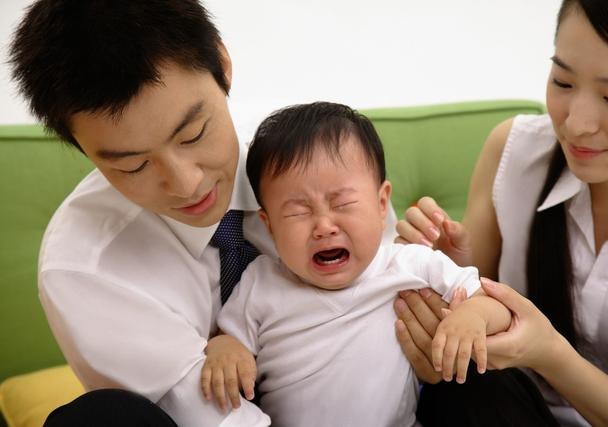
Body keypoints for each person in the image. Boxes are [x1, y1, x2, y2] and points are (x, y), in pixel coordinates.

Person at [8, 1, 398, 426]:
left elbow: (397, 304)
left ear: (223, 66)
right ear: (82, 149)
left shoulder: (313, 159)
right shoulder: (85, 266)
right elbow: (211, 418)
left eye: (193, 134)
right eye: (133, 166)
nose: (185, 184)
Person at [395, 0, 608, 426]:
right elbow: (470, 316)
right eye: (562, 81)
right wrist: (440, 270)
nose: (576, 124)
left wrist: (550, 355)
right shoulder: (517, 153)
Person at [200, 102, 512, 427]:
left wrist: (474, 316)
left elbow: (497, 305)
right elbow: (228, 338)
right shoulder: (261, 282)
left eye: (343, 203)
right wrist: (226, 351)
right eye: (298, 211)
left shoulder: (410, 264)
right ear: (269, 226)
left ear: (381, 204)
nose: (324, 226)